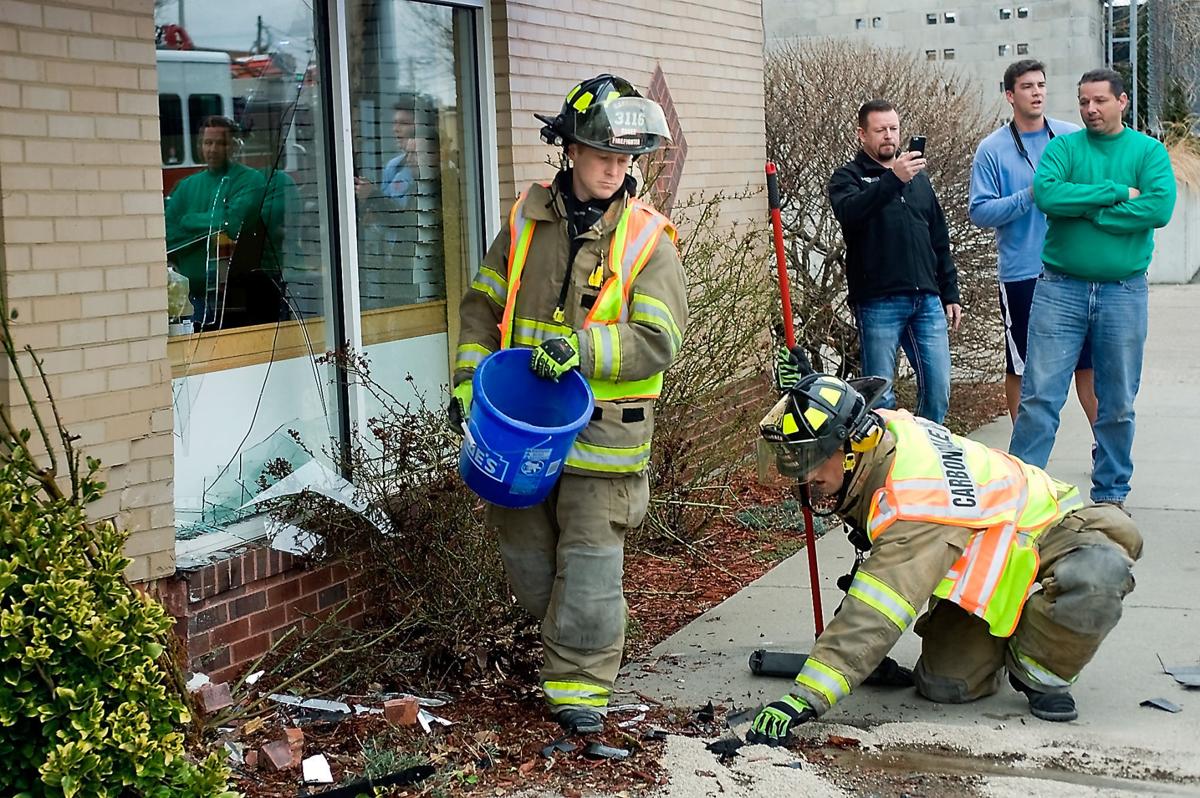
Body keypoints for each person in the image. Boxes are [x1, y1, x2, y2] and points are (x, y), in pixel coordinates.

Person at [449, 74, 687, 735]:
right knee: (529, 565)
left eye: (624, 159)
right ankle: (566, 644)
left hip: (606, 437)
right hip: (523, 432)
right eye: (603, 155)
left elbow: (659, 338)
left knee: (587, 566)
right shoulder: (528, 220)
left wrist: (581, 351)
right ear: (571, 152)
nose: (615, 169)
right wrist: (467, 384)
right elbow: (482, 306)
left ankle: (580, 692)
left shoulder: (648, 239)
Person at [747, 361, 1142, 746]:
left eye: (808, 459)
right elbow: (843, 408)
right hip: (988, 553)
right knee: (946, 685)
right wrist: (808, 387)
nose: (801, 475)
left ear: (852, 450)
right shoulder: (881, 429)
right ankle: (1009, 627)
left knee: (1098, 574)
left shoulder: (916, 504)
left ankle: (1039, 667)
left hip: (1042, 528)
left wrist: (805, 698)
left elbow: (876, 610)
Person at [1009, 69, 1176, 513]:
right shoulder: (1064, 147)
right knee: (1040, 395)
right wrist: (1115, 193)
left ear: (1122, 102)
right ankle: (1021, 494)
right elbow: (1048, 196)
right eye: (1084, 101)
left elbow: (1158, 208)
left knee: (1117, 400)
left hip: (1123, 292)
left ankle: (1111, 493)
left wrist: (1091, 214)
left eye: (1100, 101)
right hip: (1060, 289)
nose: (1090, 109)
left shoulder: (1148, 152)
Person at [969, 60, 1096, 427]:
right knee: (1023, 365)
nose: (1037, 92)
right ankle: (1023, 457)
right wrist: (1030, 195)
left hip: (1076, 268)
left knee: (1087, 364)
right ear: (1010, 95)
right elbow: (979, 212)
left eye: (1041, 84)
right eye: (1027, 86)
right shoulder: (991, 149)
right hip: (1024, 273)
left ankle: (1102, 448)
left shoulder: (1071, 137)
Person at [828, 99, 962, 424]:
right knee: (881, 395)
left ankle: (923, 453)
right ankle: (887, 462)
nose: (889, 136)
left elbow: (938, 238)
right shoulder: (848, 176)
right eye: (880, 130)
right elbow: (850, 213)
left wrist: (950, 292)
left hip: (926, 298)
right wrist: (893, 180)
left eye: (893, 129)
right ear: (862, 134)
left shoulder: (919, 179)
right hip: (879, 300)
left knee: (938, 388)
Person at [164, 116, 266, 328]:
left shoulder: (251, 180)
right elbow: (168, 234)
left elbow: (234, 222)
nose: (213, 149)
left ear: (234, 146)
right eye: (208, 143)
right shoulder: (187, 186)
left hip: (236, 298)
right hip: (192, 300)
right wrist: (210, 229)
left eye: (221, 143)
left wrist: (188, 221)